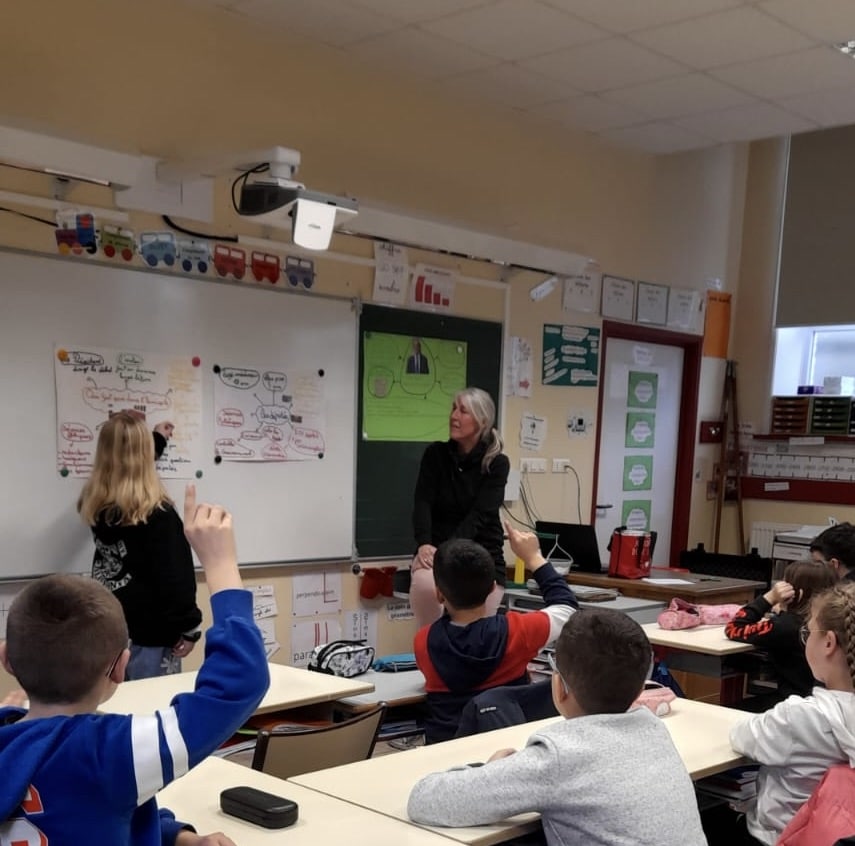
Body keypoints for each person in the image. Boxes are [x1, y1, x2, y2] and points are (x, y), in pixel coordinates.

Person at [0, 485, 270, 846]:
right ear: (119, 668)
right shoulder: (110, 751)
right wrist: (221, 565)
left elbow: (81, 810)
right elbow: (240, 684)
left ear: (7, 660)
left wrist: (175, 836)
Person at [408, 607, 707, 846]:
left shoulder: (559, 755)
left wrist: (488, 773)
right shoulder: (654, 730)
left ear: (559, 687)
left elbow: (425, 801)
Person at [414, 524, 577, 744]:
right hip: (506, 750)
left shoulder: (423, 642)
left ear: (439, 594)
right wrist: (534, 557)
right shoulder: (519, 631)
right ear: (492, 589)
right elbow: (567, 608)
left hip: (447, 754)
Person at [78, 410, 203, 679]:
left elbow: (124, 461)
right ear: (145, 456)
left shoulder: (97, 503)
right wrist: (190, 626)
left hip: (110, 630)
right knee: (149, 712)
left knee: (117, 707)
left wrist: (156, 438)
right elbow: (176, 577)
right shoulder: (157, 514)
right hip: (153, 636)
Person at [730, 582, 855, 845]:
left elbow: (741, 737)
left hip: (780, 836)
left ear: (828, 643)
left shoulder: (802, 716)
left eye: (808, 631)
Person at [408, 387, 510, 627]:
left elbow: (480, 516)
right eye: (454, 408)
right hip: (432, 552)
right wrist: (424, 544)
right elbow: (422, 502)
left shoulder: (496, 463)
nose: (454, 416)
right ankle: (433, 652)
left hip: (480, 553)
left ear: (482, 420)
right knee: (425, 586)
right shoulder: (435, 455)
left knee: (473, 632)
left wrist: (447, 552)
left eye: (463, 411)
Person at [725, 560, 837, 704]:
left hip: (790, 704)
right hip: (823, 704)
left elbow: (734, 628)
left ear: (798, 593)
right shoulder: (837, 622)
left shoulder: (786, 625)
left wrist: (770, 598)